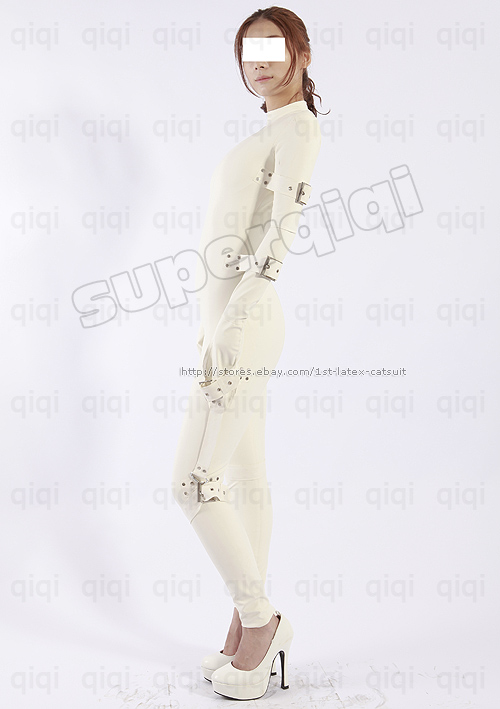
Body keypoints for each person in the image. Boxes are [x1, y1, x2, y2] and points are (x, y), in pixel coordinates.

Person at [171, 6, 326, 701]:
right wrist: (211, 325)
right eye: (248, 52)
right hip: (230, 323)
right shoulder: (267, 131)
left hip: (247, 322)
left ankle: (263, 623)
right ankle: (244, 626)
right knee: (243, 472)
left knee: (191, 481)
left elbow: (281, 236)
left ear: (302, 54)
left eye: (273, 49)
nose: (258, 63)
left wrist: (232, 323)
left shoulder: (298, 129)